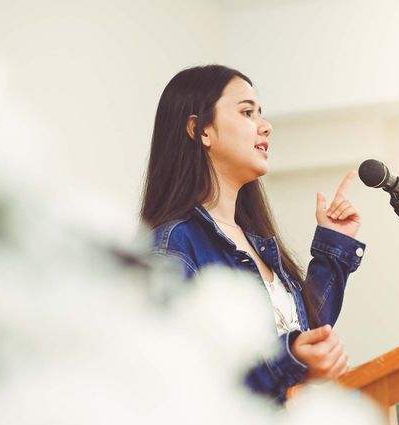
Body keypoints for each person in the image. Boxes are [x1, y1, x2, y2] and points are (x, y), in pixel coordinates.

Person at [141, 65, 366, 403]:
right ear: (200, 129)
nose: (266, 126)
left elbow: (303, 333)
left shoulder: (255, 240)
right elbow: (184, 378)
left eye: (260, 113)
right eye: (247, 112)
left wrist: (334, 245)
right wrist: (288, 360)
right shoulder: (174, 245)